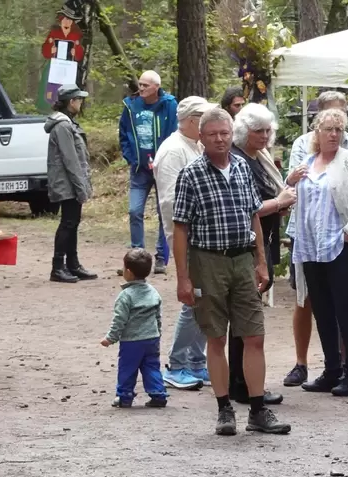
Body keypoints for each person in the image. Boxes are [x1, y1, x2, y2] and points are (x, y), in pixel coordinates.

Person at [173, 107, 290, 436]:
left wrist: (261, 260)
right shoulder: (192, 174)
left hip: (243, 260)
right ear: (202, 137)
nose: (220, 139)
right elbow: (180, 228)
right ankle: (224, 408)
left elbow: (253, 214)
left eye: (224, 133)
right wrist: (183, 277)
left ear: (231, 133)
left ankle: (257, 409)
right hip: (208, 260)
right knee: (216, 337)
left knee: (254, 335)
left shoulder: (242, 167)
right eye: (213, 134)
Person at [291, 108, 348, 397]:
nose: (333, 134)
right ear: (316, 132)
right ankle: (331, 371)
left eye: (338, 130)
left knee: (345, 310)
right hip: (310, 247)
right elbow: (291, 197)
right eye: (328, 129)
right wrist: (290, 181)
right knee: (322, 311)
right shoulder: (306, 162)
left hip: (339, 247)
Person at [227, 103, 298, 405]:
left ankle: (241, 382)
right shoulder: (239, 159)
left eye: (269, 130)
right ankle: (243, 385)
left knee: (246, 321)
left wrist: (283, 196)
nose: (266, 136)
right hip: (247, 246)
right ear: (245, 132)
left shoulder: (259, 156)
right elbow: (249, 207)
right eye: (259, 131)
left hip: (262, 240)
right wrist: (280, 201)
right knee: (247, 322)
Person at [153, 96, 214, 391]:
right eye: (204, 119)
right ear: (191, 120)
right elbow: (169, 202)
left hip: (206, 236)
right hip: (187, 236)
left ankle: (195, 361)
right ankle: (176, 364)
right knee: (194, 299)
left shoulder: (195, 146)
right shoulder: (172, 151)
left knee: (207, 298)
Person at [119, 70, 177, 274]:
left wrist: (165, 159)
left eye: (145, 85)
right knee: (135, 211)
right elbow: (123, 134)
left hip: (162, 168)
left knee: (164, 212)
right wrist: (131, 158)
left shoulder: (169, 105)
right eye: (140, 85)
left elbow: (173, 134)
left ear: (156, 87)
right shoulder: (131, 106)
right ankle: (137, 258)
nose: (141, 88)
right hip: (139, 169)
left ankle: (162, 258)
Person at [101, 248, 167, 409]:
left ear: (128, 272)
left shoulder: (126, 296)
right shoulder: (153, 292)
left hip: (132, 341)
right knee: (151, 366)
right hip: (152, 338)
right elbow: (157, 315)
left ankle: (124, 396)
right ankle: (158, 394)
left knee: (127, 369)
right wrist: (158, 332)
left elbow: (119, 320)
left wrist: (110, 338)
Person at [45, 84, 95, 284]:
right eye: (78, 100)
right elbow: (71, 160)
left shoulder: (68, 123)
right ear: (71, 102)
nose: (80, 103)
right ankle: (58, 267)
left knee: (72, 222)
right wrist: (81, 187)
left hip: (70, 184)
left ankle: (73, 264)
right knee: (67, 223)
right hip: (67, 185)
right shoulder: (63, 126)